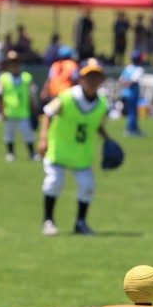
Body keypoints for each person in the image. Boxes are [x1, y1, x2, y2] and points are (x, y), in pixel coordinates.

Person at [37, 58, 113, 237]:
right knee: (55, 182)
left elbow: (97, 125)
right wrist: (43, 138)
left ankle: (80, 223)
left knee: (88, 186)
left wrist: (108, 140)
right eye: (89, 76)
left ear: (101, 80)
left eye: (97, 76)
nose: (92, 80)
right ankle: (48, 220)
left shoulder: (102, 104)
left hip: (81, 153)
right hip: (59, 149)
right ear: (80, 77)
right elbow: (48, 113)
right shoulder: (67, 97)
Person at [0, 51, 38, 162]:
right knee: (9, 134)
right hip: (10, 111)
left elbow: (32, 95)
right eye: (12, 62)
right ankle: (10, 153)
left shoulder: (27, 77)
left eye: (16, 62)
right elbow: (0, 96)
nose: (14, 65)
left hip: (24, 112)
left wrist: (34, 110)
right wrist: (1, 111)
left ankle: (32, 153)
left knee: (28, 134)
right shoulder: (3, 78)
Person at [119, 50, 145, 137]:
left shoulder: (128, 67)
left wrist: (124, 85)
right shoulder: (139, 69)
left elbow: (121, 79)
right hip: (132, 94)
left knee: (132, 112)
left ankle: (135, 129)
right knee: (132, 113)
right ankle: (130, 130)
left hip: (125, 93)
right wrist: (127, 84)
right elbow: (133, 81)